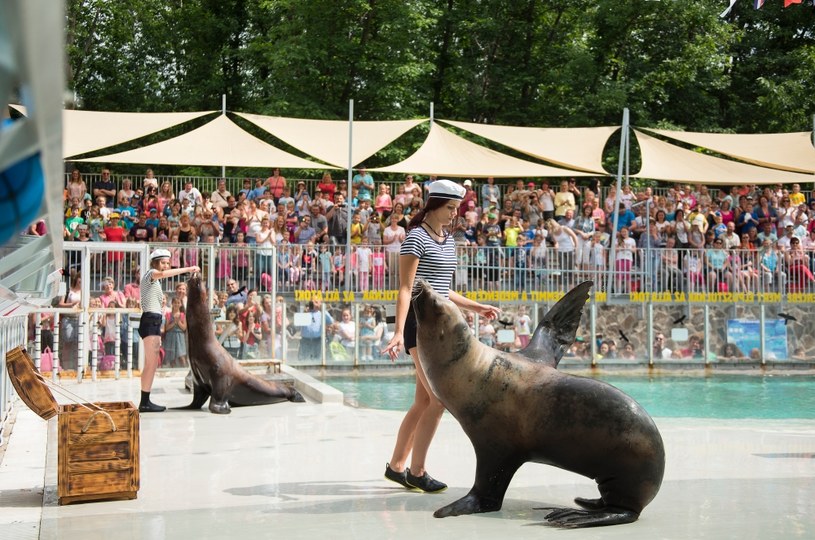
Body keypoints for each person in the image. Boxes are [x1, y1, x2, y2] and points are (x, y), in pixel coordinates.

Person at [381, 179, 500, 493]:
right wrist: (397, 332)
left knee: (422, 401)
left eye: (456, 208)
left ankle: (396, 466)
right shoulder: (415, 238)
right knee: (438, 399)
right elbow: (407, 288)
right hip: (419, 327)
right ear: (433, 205)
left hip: (441, 328)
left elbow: (443, 289)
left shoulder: (447, 239)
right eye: (449, 207)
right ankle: (417, 472)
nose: (453, 214)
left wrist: (477, 307)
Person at [138, 249, 199, 412]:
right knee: (151, 364)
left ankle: (145, 400)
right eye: (163, 263)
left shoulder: (155, 281)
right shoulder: (151, 274)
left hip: (153, 320)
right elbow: (164, 275)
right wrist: (187, 269)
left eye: (167, 263)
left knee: (151, 364)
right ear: (155, 263)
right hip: (150, 320)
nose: (165, 266)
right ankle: (144, 402)